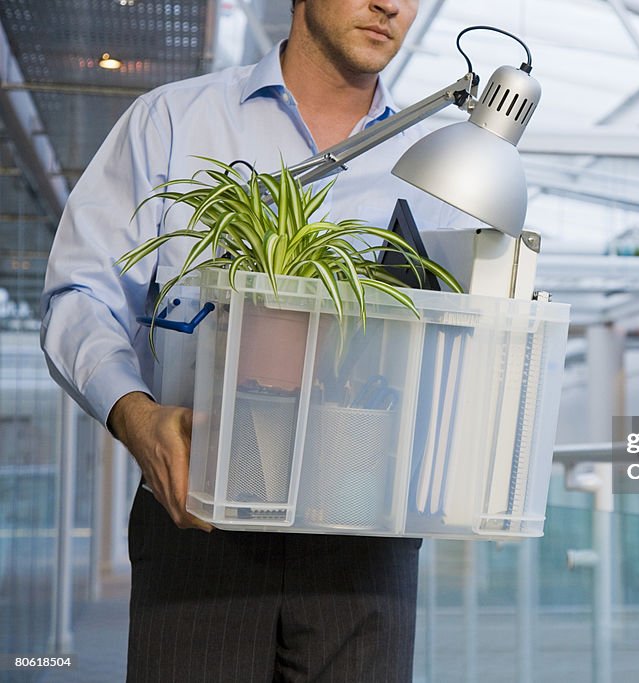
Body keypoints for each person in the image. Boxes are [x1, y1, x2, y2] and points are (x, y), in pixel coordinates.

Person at [41, 1, 474, 679]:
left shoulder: (446, 166)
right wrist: (135, 415)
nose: (391, 4)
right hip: (198, 513)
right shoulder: (175, 122)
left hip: (365, 531)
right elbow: (82, 293)